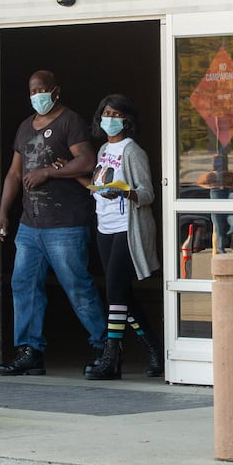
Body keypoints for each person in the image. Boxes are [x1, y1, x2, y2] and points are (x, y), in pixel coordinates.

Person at [0, 70, 107, 375]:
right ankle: (29, 352)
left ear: (56, 91)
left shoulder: (70, 121)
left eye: (42, 90)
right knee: (24, 284)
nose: (37, 96)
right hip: (30, 225)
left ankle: (105, 348)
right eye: (32, 91)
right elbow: (14, 174)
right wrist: (3, 212)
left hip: (66, 223)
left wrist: (48, 172)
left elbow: (87, 161)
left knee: (77, 286)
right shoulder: (24, 127)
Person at [85, 94, 163, 380]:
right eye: (106, 113)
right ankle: (155, 349)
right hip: (104, 225)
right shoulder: (104, 148)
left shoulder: (133, 151)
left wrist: (124, 192)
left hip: (126, 228)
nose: (110, 119)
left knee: (115, 294)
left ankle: (111, 357)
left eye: (116, 114)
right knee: (123, 296)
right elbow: (97, 183)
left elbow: (147, 193)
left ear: (127, 120)